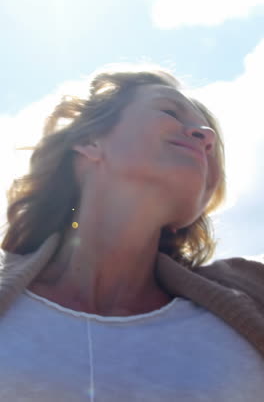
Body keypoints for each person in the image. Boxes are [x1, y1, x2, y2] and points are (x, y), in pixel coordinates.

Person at [0, 64, 263, 401]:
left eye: (208, 132)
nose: (205, 135)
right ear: (88, 140)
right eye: (170, 111)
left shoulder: (254, 297)